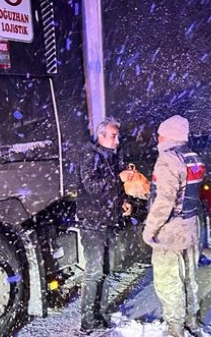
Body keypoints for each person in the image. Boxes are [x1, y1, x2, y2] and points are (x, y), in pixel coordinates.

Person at [143, 115, 207, 337]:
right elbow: (184, 192)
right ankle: (192, 321)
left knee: (169, 281)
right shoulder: (193, 157)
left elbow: (165, 201)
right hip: (190, 226)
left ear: (169, 135)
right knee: (189, 277)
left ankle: (175, 329)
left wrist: (150, 230)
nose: (158, 138)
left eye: (161, 133)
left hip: (170, 231)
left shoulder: (168, 159)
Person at [77, 117, 132, 332]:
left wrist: (124, 202)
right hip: (92, 223)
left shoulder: (113, 157)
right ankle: (87, 320)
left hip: (109, 221)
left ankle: (100, 313)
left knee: (107, 270)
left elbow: (114, 190)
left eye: (117, 135)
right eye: (113, 136)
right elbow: (92, 186)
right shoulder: (89, 156)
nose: (117, 140)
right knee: (94, 271)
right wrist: (118, 178)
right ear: (101, 136)